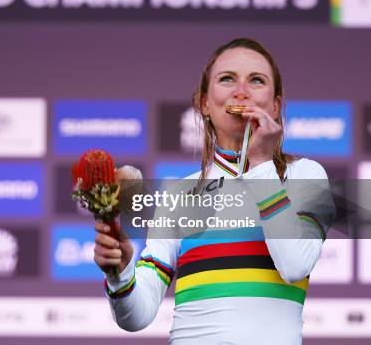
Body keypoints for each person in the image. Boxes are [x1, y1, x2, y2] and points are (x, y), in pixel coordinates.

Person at [94, 38, 331, 344]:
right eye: (227, 78)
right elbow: (136, 317)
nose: (241, 91)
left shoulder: (306, 175)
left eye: (256, 80)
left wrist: (259, 162)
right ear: (204, 103)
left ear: (275, 106)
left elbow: (294, 265)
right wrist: (121, 272)